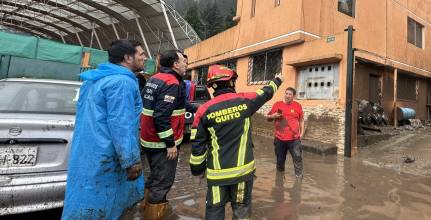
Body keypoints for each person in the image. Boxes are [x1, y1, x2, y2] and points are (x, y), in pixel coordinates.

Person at [62, 39, 146, 219]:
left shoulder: (93, 81)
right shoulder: (122, 83)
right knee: (106, 207)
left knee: (85, 200)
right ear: (128, 58)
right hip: (108, 157)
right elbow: (121, 124)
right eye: (141, 54)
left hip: (87, 154)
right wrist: (130, 161)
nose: (145, 58)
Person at [189, 64, 283, 220]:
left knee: (214, 211)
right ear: (231, 82)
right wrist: (278, 80)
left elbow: (197, 147)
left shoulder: (203, 110)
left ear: (212, 86)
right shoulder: (245, 101)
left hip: (216, 177)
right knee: (241, 211)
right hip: (242, 174)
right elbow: (266, 93)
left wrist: (197, 172)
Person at [140, 49, 194, 219]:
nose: (186, 64)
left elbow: (181, 104)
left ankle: (143, 210)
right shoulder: (172, 83)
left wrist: (202, 108)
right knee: (162, 183)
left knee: (153, 179)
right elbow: (161, 116)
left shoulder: (155, 79)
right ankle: (154, 214)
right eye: (183, 61)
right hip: (161, 144)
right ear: (175, 64)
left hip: (148, 139)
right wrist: (170, 143)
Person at [266, 87, 305, 179]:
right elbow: (268, 118)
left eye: (290, 94)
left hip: (294, 139)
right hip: (280, 139)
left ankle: (299, 179)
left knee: (298, 159)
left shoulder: (297, 106)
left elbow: (301, 120)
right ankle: (280, 180)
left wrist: (301, 133)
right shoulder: (277, 105)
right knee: (280, 161)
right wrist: (273, 115)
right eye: (286, 93)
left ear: (293, 96)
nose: (287, 96)